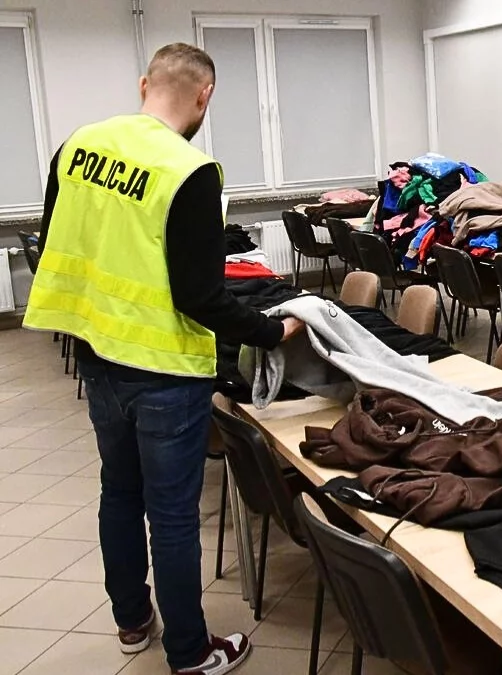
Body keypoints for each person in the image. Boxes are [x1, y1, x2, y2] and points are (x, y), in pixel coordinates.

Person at [23, 43, 303, 675]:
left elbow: (61, 242)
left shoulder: (76, 147)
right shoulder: (190, 171)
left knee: (118, 493)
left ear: (145, 84)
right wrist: (271, 331)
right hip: (166, 372)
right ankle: (190, 653)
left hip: (98, 356)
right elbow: (201, 296)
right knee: (172, 517)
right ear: (205, 96)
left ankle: (131, 621)